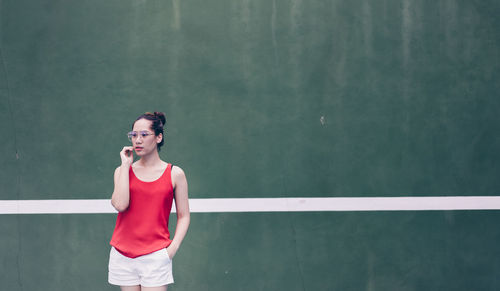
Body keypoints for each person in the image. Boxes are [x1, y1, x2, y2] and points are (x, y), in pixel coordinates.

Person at [108, 112, 190, 291]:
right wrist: (125, 165)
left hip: (156, 255)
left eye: (144, 135)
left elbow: (184, 216)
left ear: (159, 137)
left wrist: (171, 249)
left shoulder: (175, 174)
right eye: (134, 135)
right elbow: (120, 205)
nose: (137, 140)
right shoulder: (122, 171)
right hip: (123, 256)